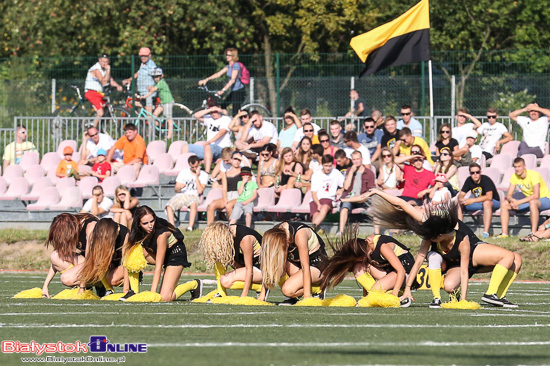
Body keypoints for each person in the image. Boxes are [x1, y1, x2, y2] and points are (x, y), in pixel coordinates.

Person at [367, 190, 522, 308]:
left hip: (473, 252)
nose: (421, 206)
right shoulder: (426, 224)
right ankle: (443, 297)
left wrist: (464, 300)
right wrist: (407, 288)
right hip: (457, 263)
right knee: (448, 286)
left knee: (514, 258)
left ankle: (494, 295)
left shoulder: (436, 223)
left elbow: (402, 205)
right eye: (418, 207)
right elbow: (401, 204)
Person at [122, 206, 201, 302]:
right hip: (157, 253)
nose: (150, 225)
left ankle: (194, 284)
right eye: (145, 223)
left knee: (164, 297)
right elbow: (126, 260)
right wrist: (125, 290)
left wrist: (152, 293)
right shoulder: (136, 230)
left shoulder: (161, 235)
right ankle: (132, 291)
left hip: (174, 255)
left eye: (152, 221)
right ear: (138, 224)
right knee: (133, 252)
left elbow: (158, 266)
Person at [320, 230, 417, 300]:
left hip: (406, 274)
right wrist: (365, 297)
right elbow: (366, 276)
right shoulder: (368, 246)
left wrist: (394, 295)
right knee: (358, 267)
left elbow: (401, 270)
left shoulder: (382, 246)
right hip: (391, 273)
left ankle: (395, 293)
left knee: (375, 291)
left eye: (361, 257)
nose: (362, 259)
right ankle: (378, 295)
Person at [258, 221, 328, 305]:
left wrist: (306, 297)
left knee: (287, 290)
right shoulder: (277, 232)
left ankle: (318, 290)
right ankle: (292, 298)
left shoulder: (299, 235)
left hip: (317, 266)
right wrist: (262, 296)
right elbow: (271, 265)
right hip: (300, 266)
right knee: (277, 261)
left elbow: (305, 266)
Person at [41, 213, 98, 298]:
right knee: (55, 255)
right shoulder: (74, 224)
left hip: (99, 263)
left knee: (67, 278)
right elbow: (54, 262)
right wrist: (45, 286)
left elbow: (90, 258)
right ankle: (88, 283)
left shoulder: (90, 226)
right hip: (87, 262)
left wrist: (82, 288)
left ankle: (99, 285)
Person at [199, 223, 263, 297]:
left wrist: (244, 295)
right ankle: (220, 290)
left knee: (225, 281)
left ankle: (260, 288)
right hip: (251, 266)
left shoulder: (245, 239)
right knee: (221, 257)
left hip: (263, 268)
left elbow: (249, 268)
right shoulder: (231, 232)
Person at [497, 157, 550, 238]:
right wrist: (512, 200)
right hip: (530, 201)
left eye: (519, 166)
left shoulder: (533, 175)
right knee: (504, 204)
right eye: (515, 167)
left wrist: (518, 202)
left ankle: (533, 233)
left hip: (545, 199)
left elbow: (536, 195)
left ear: (524, 166)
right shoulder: (514, 176)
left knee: (533, 202)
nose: (517, 169)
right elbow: (509, 194)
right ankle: (504, 234)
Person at [77, 218, 128, 296]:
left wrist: (126, 290)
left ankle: (131, 286)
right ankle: (105, 288)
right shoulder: (95, 234)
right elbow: (89, 260)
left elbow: (126, 264)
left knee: (112, 280)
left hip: (127, 267)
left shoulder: (125, 234)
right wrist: (82, 288)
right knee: (68, 279)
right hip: (110, 266)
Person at [183, 102, 232, 174]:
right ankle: (186, 173)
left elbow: (221, 133)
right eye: (212, 112)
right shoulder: (209, 118)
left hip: (222, 149)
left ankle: (206, 173)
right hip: (209, 149)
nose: (213, 113)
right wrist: (209, 110)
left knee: (208, 147)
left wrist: (209, 142)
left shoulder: (226, 119)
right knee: (186, 147)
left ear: (219, 110)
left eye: (215, 111)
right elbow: (196, 115)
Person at [165, 155, 209, 231]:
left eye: (196, 166)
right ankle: (172, 228)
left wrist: (196, 176)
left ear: (199, 164)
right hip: (181, 195)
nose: (195, 169)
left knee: (193, 204)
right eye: (192, 167)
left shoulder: (204, 175)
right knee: (169, 206)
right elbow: (176, 189)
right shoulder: (183, 173)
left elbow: (200, 191)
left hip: (193, 195)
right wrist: (179, 187)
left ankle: (190, 227)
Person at [457, 163, 500, 239]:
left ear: (480, 172)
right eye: (472, 173)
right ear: (470, 173)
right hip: (479, 203)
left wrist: (472, 200)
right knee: (459, 204)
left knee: (486, 203)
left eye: (477, 172)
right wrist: (461, 199)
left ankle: (486, 232)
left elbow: (489, 197)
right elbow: (461, 194)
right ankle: (460, 230)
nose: (475, 174)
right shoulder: (469, 180)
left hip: (493, 202)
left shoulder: (486, 179)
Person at [337, 150, 375, 235]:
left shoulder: (369, 173)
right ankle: (341, 231)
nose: (356, 161)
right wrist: (351, 172)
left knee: (375, 207)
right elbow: (346, 187)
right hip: (351, 197)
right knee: (344, 208)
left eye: (358, 159)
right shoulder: (349, 170)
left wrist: (361, 197)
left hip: (363, 198)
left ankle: (377, 233)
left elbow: (370, 191)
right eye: (354, 159)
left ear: (362, 159)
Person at [199, 47, 246, 115]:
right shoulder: (228, 66)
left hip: (239, 91)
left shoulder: (236, 65)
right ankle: (227, 122)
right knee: (223, 106)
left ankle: (238, 124)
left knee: (235, 112)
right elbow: (218, 74)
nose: (227, 56)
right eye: (226, 55)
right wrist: (206, 79)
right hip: (233, 91)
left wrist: (223, 90)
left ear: (233, 56)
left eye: (229, 55)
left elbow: (232, 80)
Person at [84, 54, 123, 127]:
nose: (104, 63)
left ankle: (101, 128)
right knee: (100, 112)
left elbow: (110, 81)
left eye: (106, 62)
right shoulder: (96, 69)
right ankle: (93, 131)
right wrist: (108, 70)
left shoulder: (105, 70)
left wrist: (118, 86)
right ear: (99, 60)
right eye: (102, 61)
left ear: (109, 62)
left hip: (99, 94)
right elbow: (104, 82)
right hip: (91, 92)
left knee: (107, 110)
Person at [207, 151, 245, 224]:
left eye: (238, 160)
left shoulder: (242, 171)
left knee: (228, 206)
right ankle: (209, 229)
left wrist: (242, 159)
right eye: (235, 159)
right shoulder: (225, 173)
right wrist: (225, 199)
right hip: (228, 195)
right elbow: (224, 188)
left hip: (238, 196)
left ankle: (232, 227)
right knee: (211, 205)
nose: (237, 161)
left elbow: (248, 169)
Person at [310, 154, 345, 232]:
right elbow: (314, 193)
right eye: (326, 166)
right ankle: (316, 230)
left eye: (330, 166)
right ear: (322, 165)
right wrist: (318, 204)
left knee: (325, 207)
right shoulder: (316, 175)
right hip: (316, 199)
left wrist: (341, 190)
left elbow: (345, 184)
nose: (328, 168)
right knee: (316, 214)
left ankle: (311, 230)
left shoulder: (336, 173)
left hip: (329, 198)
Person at [141, 67, 175, 139]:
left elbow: (153, 90)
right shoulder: (159, 83)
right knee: (154, 115)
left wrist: (145, 96)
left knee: (169, 119)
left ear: (161, 76)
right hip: (162, 103)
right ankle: (158, 128)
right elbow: (154, 88)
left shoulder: (161, 82)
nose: (155, 78)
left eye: (157, 76)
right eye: (154, 77)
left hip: (167, 102)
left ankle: (169, 136)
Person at [123, 47, 157, 114]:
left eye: (145, 56)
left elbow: (158, 75)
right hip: (142, 93)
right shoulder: (143, 64)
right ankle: (144, 109)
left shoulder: (151, 65)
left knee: (149, 115)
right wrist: (129, 79)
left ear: (149, 55)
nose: (143, 58)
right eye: (141, 56)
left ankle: (151, 123)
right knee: (130, 102)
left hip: (148, 94)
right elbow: (138, 73)